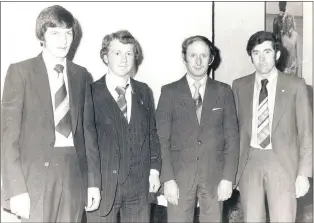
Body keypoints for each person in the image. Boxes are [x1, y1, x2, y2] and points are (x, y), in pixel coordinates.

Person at [1, 5, 101, 222]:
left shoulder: (81, 75)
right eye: (55, 33)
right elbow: (7, 137)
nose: (63, 40)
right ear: (42, 36)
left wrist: (93, 182)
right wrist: (16, 188)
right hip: (35, 177)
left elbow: (89, 133)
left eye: (68, 33)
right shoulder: (20, 72)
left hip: (74, 172)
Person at [156, 35, 240, 222]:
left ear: (211, 59)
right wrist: (167, 179)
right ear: (184, 57)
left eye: (204, 55)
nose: (198, 61)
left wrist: (227, 178)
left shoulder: (224, 91)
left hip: (214, 176)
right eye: (193, 55)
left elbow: (232, 139)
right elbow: (161, 140)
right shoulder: (169, 92)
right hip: (179, 177)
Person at [232, 31, 312, 222]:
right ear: (250, 56)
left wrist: (304, 174)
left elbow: (306, 133)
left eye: (267, 52)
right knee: (251, 218)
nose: (262, 58)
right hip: (249, 163)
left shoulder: (296, 86)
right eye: (256, 53)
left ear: (277, 54)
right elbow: (233, 132)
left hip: (283, 164)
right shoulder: (239, 86)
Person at [85, 30, 161, 223]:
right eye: (117, 53)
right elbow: (86, 143)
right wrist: (91, 184)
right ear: (105, 56)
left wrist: (154, 171)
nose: (124, 59)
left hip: (139, 185)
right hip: (103, 186)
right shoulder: (90, 93)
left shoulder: (144, 91)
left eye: (129, 53)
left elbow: (152, 134)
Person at [281, 11, 302, 77]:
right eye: (287, 17)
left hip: (293, 67)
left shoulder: (295, 35)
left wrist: (298, 69)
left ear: (292, 20)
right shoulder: (282, 35)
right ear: (285, 20)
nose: (289, 19)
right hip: (284, 67)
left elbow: (298, 54)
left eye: (290, 17)